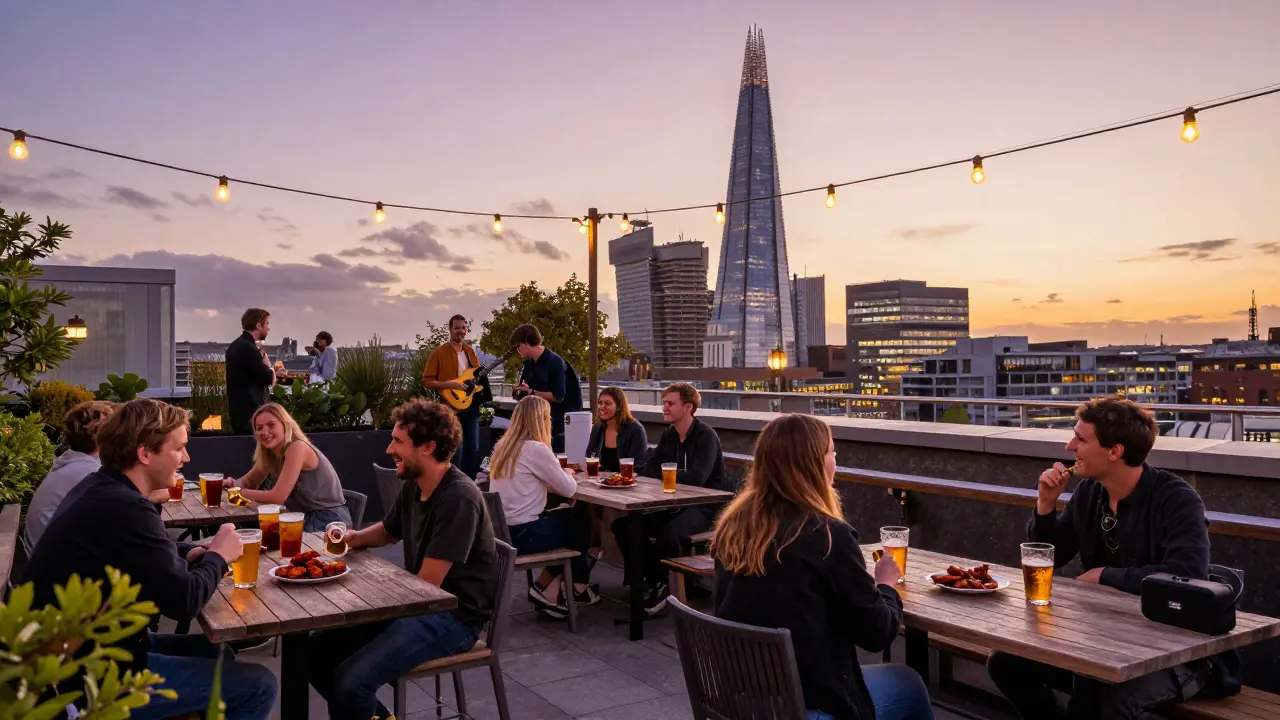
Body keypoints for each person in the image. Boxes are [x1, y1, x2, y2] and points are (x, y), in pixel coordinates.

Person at [20, 398, 276, 720]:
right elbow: (183, 602)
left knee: (220, 652)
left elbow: (135, 551)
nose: (187, 457)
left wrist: (192, 551)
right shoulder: (125, 506)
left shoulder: (101, 486)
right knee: (259, 684)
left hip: (81, 651)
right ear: (144, 453)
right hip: (83, 678)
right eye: (179, 448)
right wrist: (219, 556)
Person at [986, 395, 1212, 720]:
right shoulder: (1091, 493)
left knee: (1099, 693)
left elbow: (1187, 575)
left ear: (1115, 451)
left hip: (1172, 655)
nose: (1069, 447)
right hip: (1104, 640)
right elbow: (1055, 553)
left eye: (1080, 439)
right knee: (1005, 662)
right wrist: (1046, 505)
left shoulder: (1177, 501)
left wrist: (1103, 575)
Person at [714, 414, 933, 720]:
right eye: (832, 452)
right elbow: (876, 633)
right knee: (908, 684)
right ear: (813, 464)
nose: (835, 462)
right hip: (806, 705)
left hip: (744, 700)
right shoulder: (828, 537)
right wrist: (885, 585)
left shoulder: (735, 525)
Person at [309, 400, 497, 720]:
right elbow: (388, 531)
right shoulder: (415, 484)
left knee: (352, 685)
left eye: (398, 441)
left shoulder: (459, 497)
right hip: (416, 605)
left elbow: (428, 585)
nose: (388, 449)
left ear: (428, 447)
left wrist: (368, 595)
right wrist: (355, 538)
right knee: (313, 653)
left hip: (452, 616)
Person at [611, 382, 729, 614]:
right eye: (664, 402)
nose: (664, 407)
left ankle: (671, 589)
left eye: (670, 403)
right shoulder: (669, 435)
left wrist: (668, 474)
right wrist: (667, 474)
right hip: (673, 504)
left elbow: (698, 477)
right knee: (624, 527)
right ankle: (658, 581)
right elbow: (648, 468)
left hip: (705, 507)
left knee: (670, 533)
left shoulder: (705, 436)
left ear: (687, 407)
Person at [489, 395, 598, 618]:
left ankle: (559, 588)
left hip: (501, 534)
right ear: (541, 420)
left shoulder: (503, 447)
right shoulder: (536, 449)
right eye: (547, 417)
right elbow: (568, 490)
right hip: (524, 534)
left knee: (570, 518)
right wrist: (566, 473)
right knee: (579, 523)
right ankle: (558, 586)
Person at [229, 402, 353, 532]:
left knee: (257, 536)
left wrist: (241, 492)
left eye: (271, 425)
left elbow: (277, 497)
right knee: (246, 533)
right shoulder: (270, 455)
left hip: (328, 522)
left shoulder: (297, 448)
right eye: (259, 428)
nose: (264, 432)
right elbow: (248, 482)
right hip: (301, 517)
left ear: (285, 425)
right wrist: (229, 485)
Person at [24, 400, 116, 550]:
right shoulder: (89, 472)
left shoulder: (73, 463)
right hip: (58, 567)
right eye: (117, 428)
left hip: (50, 560)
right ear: (100, 434)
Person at [421, 314, 483, 477]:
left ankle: (468, 482)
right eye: (456, 328)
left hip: (470, 405)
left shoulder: (470, 352)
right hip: (449, 407)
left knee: (473, 447)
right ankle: (453, 483)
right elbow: (427, 381)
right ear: (450, 330)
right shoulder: (439, 353)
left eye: (463, 328)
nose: (460, 331)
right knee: (456, 448)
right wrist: (451, 384)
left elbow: (475, 377)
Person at [511, 323, 582, 453]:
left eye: (519, 346)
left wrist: (531, 391)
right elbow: (525, 393)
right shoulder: (529, 364)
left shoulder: (555, 362)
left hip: (559, 425)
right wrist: (520, 391)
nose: (518, 350)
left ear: (526, 343)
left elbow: (558, 396)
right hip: (541, 423)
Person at [226, 307, 278, 434]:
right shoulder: (248, 347)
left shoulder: (236, 345)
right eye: (267, 324)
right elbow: (268, 378)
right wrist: (269, 366)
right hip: (251, 415)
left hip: (241, 413)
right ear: (259, 325)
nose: (268, 328)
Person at [586, 387, 648, 473]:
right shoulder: (598, 428)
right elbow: (589, 456)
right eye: (600, 403)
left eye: (607, 403)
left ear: (619, 406)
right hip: (600, 481)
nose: (602, 407)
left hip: (627, 482)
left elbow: (639, 466)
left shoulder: (635, 429)